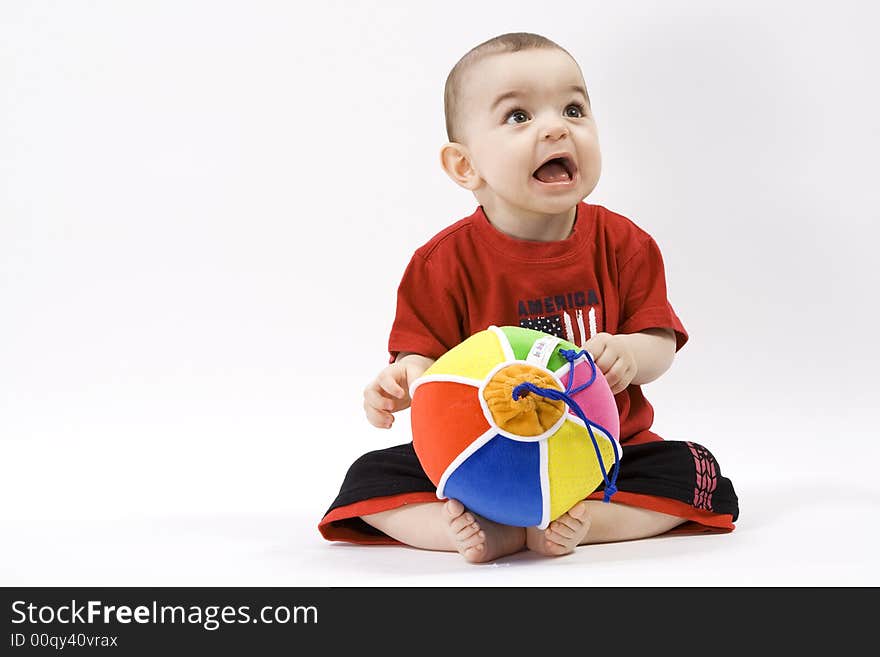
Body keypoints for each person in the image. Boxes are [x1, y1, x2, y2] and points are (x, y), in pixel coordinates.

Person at [318, 32, 739, 563]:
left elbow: (660, 342)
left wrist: (630, 354)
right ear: (464, 166)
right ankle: (463, 530)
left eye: (573, 108)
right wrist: (404, 380)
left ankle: (584, 523)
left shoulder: (625, 244)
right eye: (518, 116)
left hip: (600, 454)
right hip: (482, 463)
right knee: (368, 479)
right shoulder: (442, 263)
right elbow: (421, 362)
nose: (557, 126)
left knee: (697, 471)